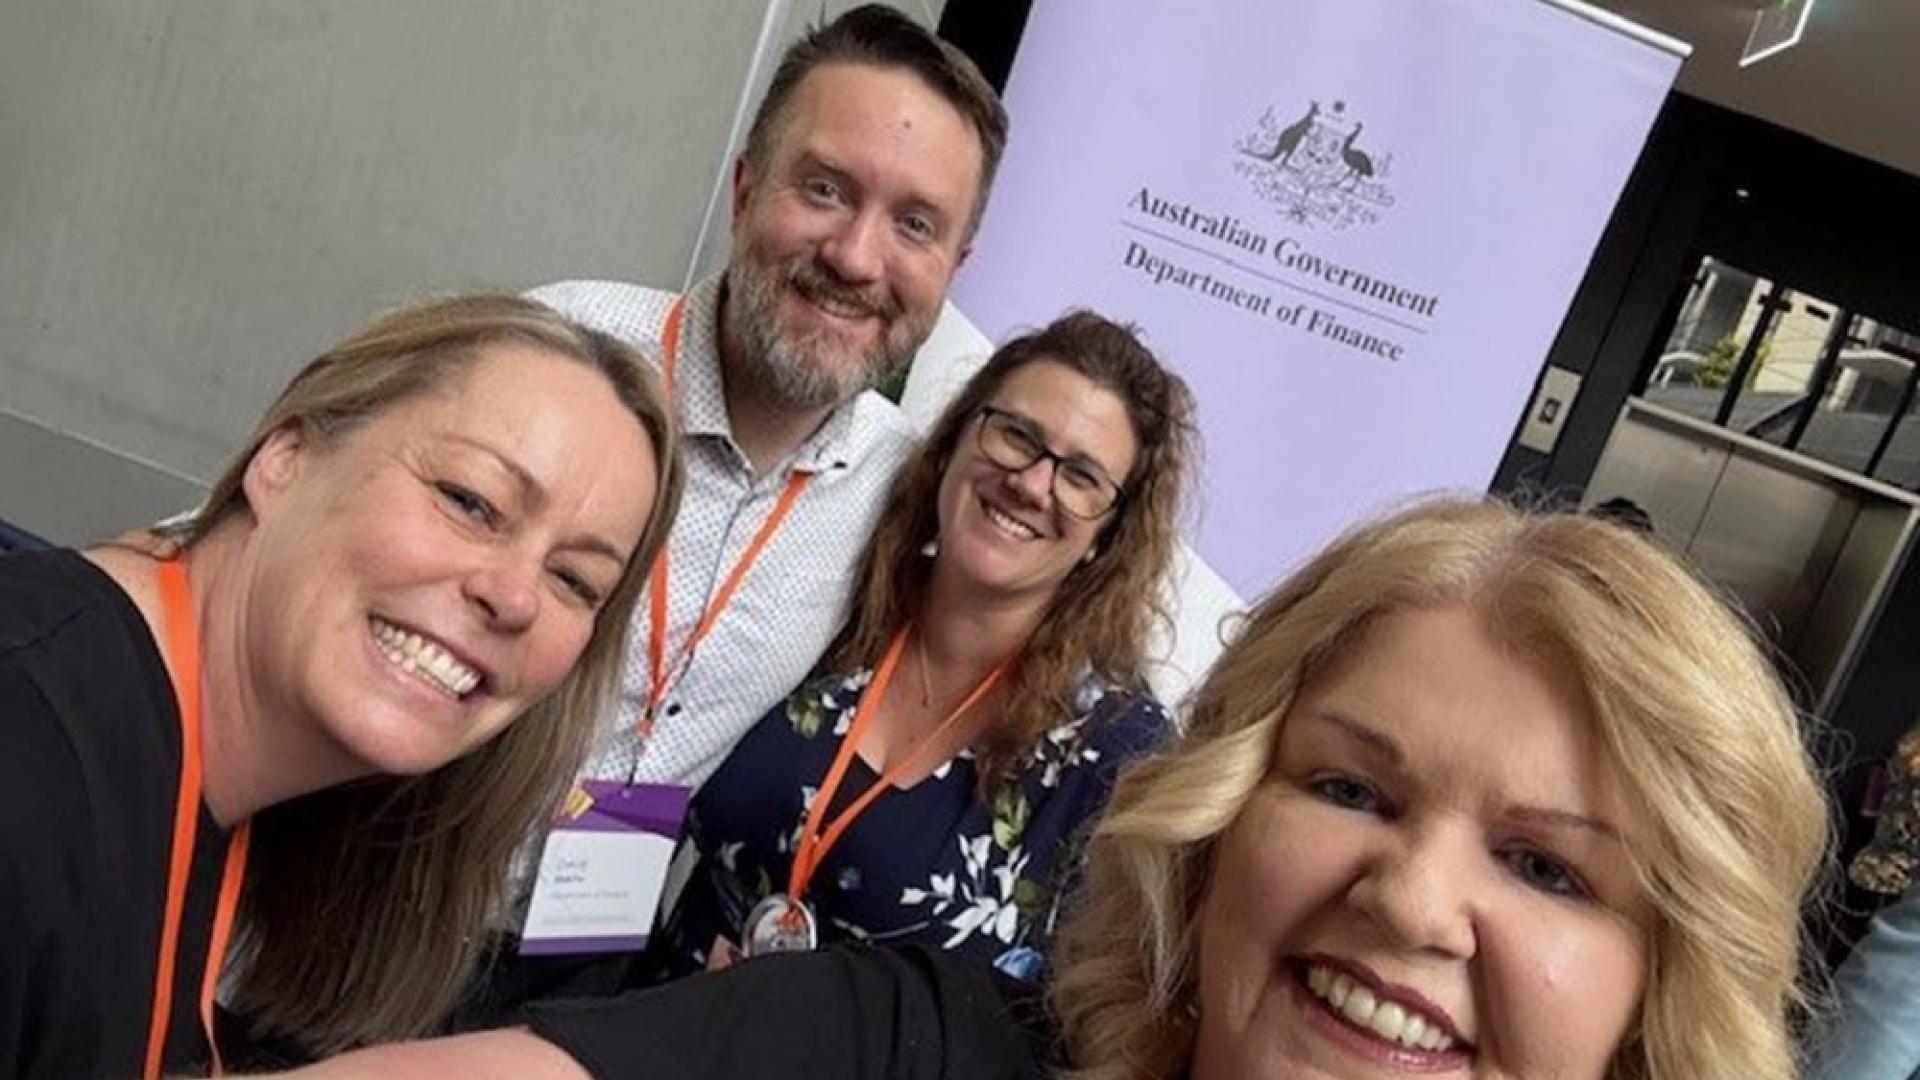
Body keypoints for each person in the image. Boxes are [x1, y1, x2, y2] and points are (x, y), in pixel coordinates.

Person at [262, 497, 1832, 1080]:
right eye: (1352, 790)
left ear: (1662, 996)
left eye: (1549, 869)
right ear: (1222, 814)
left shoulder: (1080, 728)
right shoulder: (910, 1041)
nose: (1412, 901)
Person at [0, 294, 682, 1079]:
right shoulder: (26, 748)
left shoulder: (213, 783)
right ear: (284, 459)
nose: (517, 596)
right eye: (469, 502)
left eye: (574, 578)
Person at [533, 5, 1007, 791]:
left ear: (955, 267)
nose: (857, 259)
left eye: (914, 225)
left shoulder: (903, 492)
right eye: (825, 190)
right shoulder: (551, 351)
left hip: (621, 915)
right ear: (746, 188)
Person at [646, 310, 1193, 982]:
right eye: (1017, 436)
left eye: (1081, 477)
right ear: (957, 440)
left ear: (1109, 535)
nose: (1031, 483)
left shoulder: (1118, 757)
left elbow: (1088, 1024)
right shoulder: (832, 599)